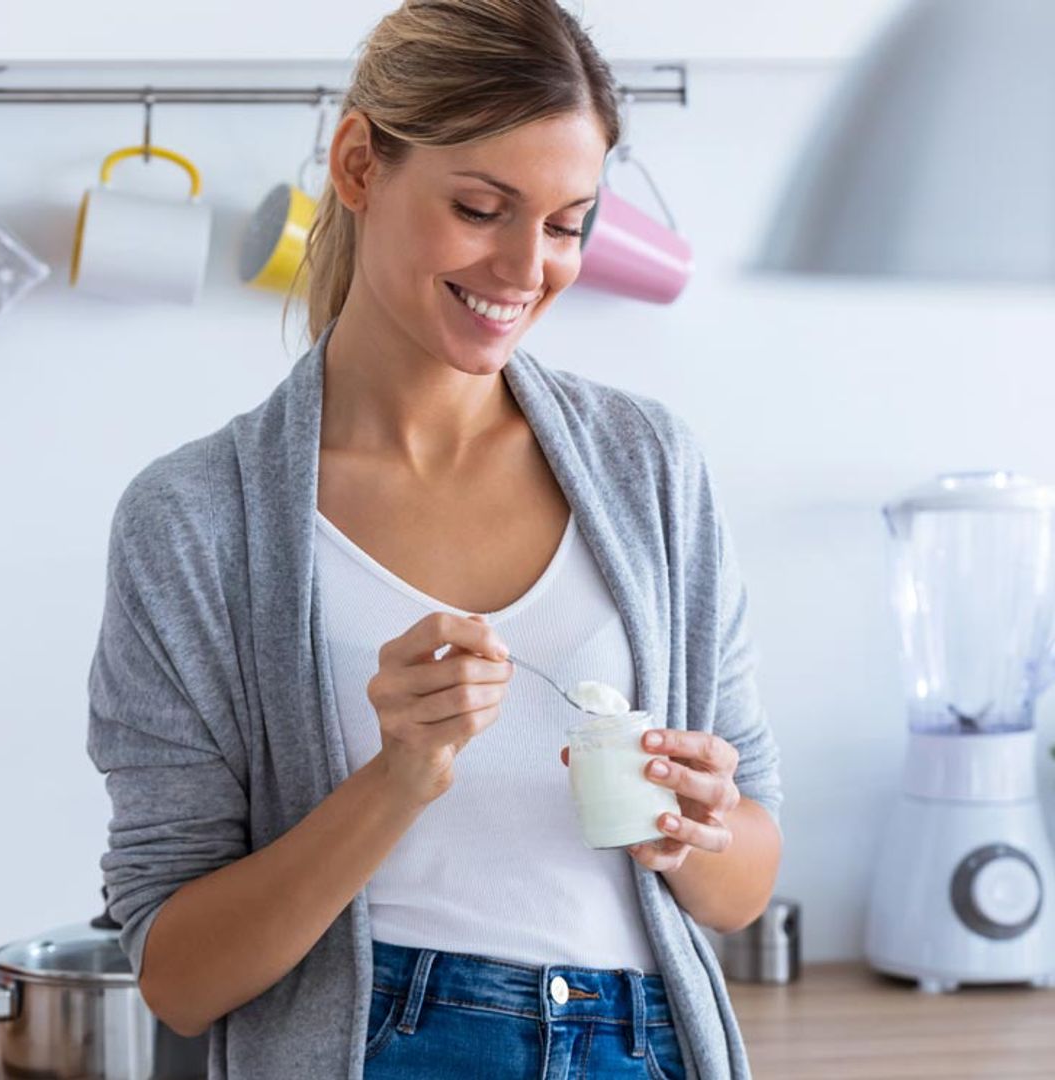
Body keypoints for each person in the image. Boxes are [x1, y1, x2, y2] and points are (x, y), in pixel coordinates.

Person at [86, 2, 783, 1078]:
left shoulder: (650, 467)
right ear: (360, 164)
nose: (524, 268)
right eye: (479, 207)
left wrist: (700, 832)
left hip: (640, 1046)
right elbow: (179, 977)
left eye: (565, 224)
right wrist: (396, 778)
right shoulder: (194, 520)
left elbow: (745, 881)